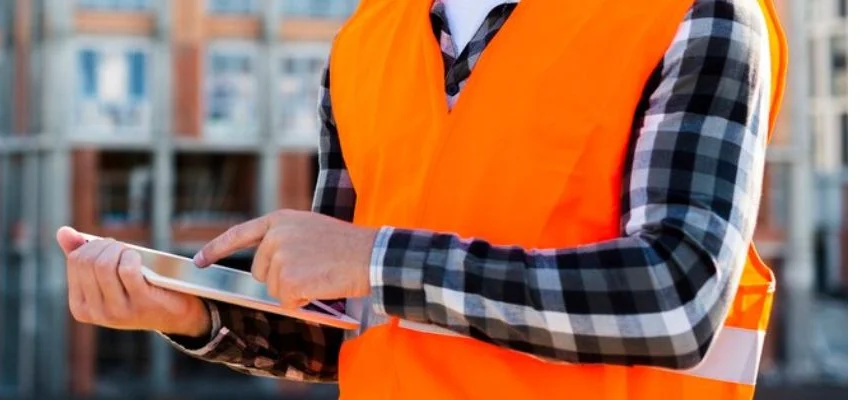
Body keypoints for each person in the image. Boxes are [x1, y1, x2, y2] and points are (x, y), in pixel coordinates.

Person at [56, 0, 786, 398]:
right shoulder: (365, 44)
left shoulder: (691, 15)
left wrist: (378, 259)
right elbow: (345, 324)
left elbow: (675, 300)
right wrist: (190, 311)